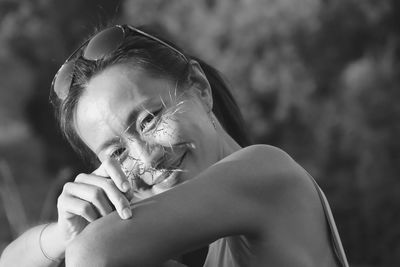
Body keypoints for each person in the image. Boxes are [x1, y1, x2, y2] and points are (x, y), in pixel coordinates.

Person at [0, 24, 349, 267]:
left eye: (149, 120)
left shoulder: (266, 172)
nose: (146, 156)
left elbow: (95, 252)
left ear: (199, 87)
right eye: (118, 152)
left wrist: (87, 237)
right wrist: (65, 232)